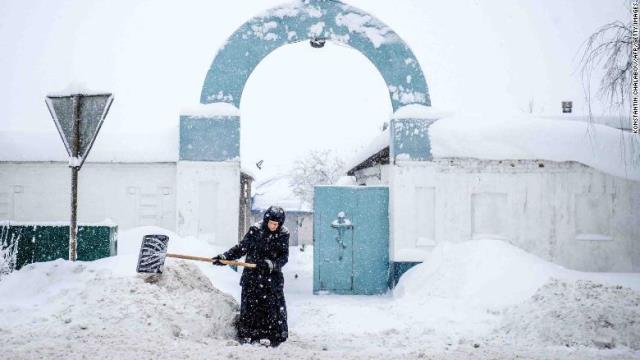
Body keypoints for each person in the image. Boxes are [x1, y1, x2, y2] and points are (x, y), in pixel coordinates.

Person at [212, 205, 290, 347]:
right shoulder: (256, 230)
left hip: (272, 279)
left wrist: (270, 264)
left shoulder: (283, 234)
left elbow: (284, 257)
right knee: (251, 308)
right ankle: (250, 335)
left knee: (271, 309)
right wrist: (225, 257)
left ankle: (272, 337)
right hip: (253, 278)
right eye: (271, 223)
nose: (273, 226)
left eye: (276, 224)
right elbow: (242, 247)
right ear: (266, 220)